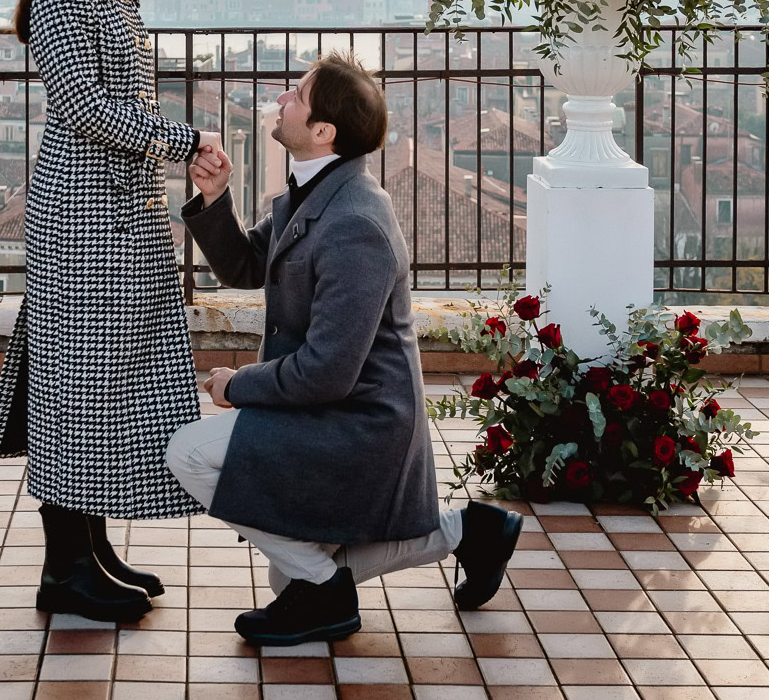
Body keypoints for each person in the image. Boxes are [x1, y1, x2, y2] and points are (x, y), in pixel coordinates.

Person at [165, 50, 522, 646]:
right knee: (296, 573)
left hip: (358, 423)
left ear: (322, 131)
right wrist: (213, 196)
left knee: (189, 454)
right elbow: (245, 264)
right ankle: (468, 531)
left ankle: (329, 593)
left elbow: (328, 371)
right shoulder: (313, 192)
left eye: (297, 95)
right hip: (331, 408)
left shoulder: (356, 221)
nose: (282, 99)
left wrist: (237, 386)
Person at [0, 0, 218, 624]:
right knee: (76, 387)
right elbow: (81, 104)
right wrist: (182, 142)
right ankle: (64, 570)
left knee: (108, 385)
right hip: (84, 214)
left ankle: (92, 551)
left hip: (122, 209)